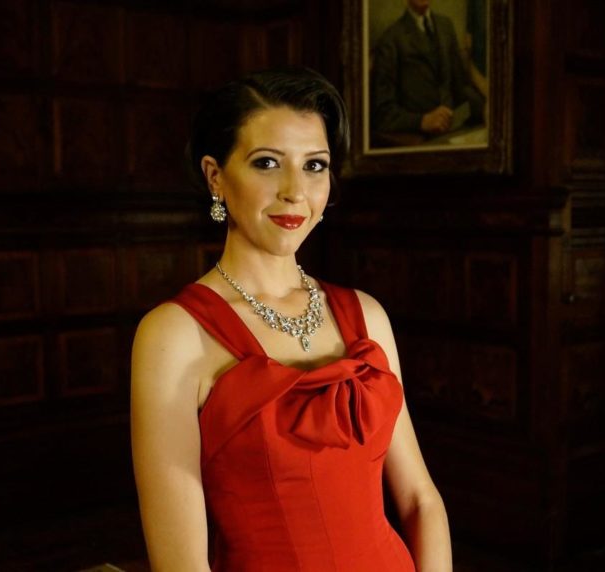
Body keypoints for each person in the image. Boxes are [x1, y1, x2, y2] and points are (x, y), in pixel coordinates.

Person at [130, 67, 452, 571]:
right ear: (215, 176)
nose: (295, 191)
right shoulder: (173, 334)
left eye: (314, 165)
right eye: (267, 163)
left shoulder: (366, 315)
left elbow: (420, 501)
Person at [371, 0, 485, 138]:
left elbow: (461, 87)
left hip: (455, 130)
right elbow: (382, 113)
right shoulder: (391, 39)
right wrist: (422, 121)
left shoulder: (445, 26)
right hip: (420, 138)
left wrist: (485, 109)